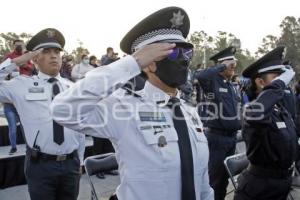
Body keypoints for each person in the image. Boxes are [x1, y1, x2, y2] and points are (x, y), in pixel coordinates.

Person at [51, 7, 213, 200]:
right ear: (149, 63)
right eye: (171, 53)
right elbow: (62, 110)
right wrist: (131, 63)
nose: (184, 61)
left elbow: (202, 181)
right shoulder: (124, 108)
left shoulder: (189, 112)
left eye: (187, 52)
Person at [0, 28, 85, 200]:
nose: (54, 56)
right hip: (40, 166)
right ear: (35, 58)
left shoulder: (73, 88)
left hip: (71, 164)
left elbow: (79, 129)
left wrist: (81, 160)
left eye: (57, 52)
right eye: (46, 51)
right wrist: (16, 61)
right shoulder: (21, 85)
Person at [234, 46, 298, 200]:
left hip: (283, 184)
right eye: (277, 76)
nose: (283, 81)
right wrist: (278, 84)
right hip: (260, 191)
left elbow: (291, 144)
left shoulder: (279, 108)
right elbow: (257, 113)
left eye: (283, 77)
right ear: (261, 82)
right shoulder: (252, 109)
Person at [194, 46, 241, 200]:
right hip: (217, 139)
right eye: (230, 64)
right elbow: (201, 76)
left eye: (234, 64)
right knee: (215, 180)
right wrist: (222, 65)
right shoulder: (213, 83)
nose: (233, 67)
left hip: (231, 138)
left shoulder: (229, 85)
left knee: (224, 179)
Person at [2, 39, 33, 154]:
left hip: (23, 96)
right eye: (17, 45)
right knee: (12, 127)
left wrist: (22, 64)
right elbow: (3, 69)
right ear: (13, 45)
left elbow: (31, 68)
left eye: (21, 45)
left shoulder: (26, 56)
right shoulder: (9, 56)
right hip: (10, 96)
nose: (19, 46)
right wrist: (13, 65)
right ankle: (13, 146)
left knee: (26, 125)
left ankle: (29, 146)